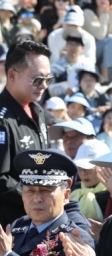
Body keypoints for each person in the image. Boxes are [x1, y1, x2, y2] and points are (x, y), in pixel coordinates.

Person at [0, 40, 51, 227]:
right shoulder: (3, 119)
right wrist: (38, 197)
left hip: (38, 222)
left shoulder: (38, 112)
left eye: (48, 79)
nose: (44, 86)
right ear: (12, 75)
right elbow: (1, 179)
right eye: (37, 79)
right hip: (10, 226)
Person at [82, 0, 112, 82]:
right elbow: (100, 36)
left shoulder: (108, 12)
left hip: (107, 48)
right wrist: (105, 15)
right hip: (91, 50)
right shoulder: (87, 13)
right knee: (111, 40)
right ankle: (107, 78)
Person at [69, 139, 111, 222]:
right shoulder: (75, 190)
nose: (83, 172)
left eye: (89, 168)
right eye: (80, 167)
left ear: (105, 167)